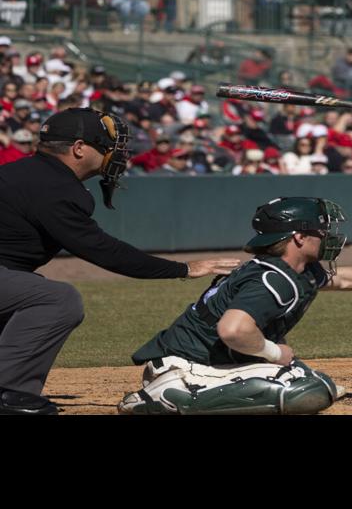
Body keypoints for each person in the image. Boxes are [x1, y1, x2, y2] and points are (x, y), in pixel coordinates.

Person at [118, 197, 352, 415]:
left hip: (206, 361)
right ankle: (169, 399)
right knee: (307, 391)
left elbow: (344, 278)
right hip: (187, 368)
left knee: (313, 382)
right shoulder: (272, 279)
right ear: (298, 237)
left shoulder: (292, 270)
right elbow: (233, 329)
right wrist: (274, 352)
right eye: (321, 229)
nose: (328, 235)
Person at [0, 109, 238, 415]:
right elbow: (104, 251)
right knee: (56, 300)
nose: (115, 155)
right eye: (107, 147)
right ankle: (8, 393)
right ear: (79, 148)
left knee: (23, 292)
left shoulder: (29, 173)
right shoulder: (53, 186)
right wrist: (185, 268)